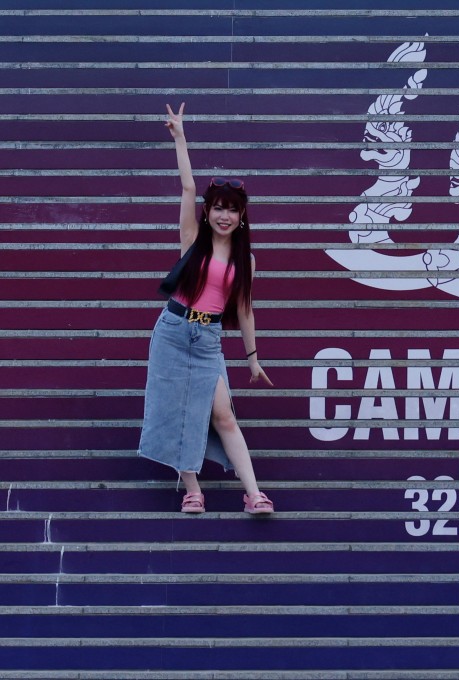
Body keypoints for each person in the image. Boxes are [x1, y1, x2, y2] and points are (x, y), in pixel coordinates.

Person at [138, 103, 275, 515]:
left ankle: (253, 495)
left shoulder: (245, 261)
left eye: (232, 209)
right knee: (178, 413)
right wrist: (179, 138)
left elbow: (245, 312)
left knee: (223, 416)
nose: (224, 215)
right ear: (209, 210)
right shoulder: (191, 240)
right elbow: (185, 188)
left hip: (208, 339)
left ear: (242, 215)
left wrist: (252, 361)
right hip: (174, 331)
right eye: (218, 207)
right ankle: (192, 490)